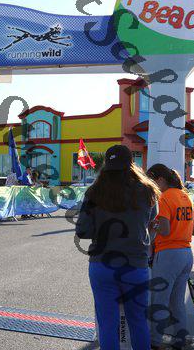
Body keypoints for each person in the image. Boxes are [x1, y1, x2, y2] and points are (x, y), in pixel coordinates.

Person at [75, 145, 160, 350]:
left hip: (102, 265)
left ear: (107, 164)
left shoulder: (94, 191)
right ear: (131, 163)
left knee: (107, 324)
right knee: (138, 321)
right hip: (136, 265)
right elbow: (151, 217)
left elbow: (83, 231)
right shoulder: (147, 190)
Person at [146, 163, 194, 349]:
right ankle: (180, 339)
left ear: (160, 180)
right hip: (186, 254)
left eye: (152, 183)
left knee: (159, 300)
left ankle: (155, 341)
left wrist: (153, 225)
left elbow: (165, 230)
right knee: (177, 302)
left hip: (168, 254)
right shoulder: (186, 197)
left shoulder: (165, 198)